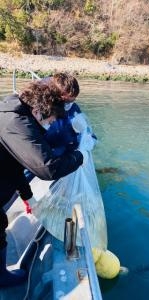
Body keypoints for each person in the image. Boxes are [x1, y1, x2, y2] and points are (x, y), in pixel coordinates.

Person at [0, 81, 88, 287]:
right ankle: (1, 278)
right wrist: (79, 155)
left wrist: (27, 195)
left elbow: (12, 165)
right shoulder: (17, 125)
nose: (49, 126)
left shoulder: (13, 112)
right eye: (49, 121)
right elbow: (48, 168)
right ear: (38, 111)